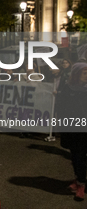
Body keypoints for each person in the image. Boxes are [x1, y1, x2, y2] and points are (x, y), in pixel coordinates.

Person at [57, 62, 87, 201]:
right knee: (75, 156)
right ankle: (79, 180)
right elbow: (61, 106)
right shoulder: (68, 87)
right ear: (76, 74)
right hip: (73, 128)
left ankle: (81, 184)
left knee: (81, 157)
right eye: (84, 73)